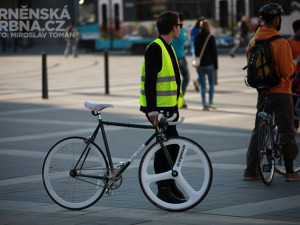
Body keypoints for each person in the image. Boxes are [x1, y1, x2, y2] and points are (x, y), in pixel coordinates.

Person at [244, 3, 300, 181]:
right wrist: (295, 63)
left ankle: (250, 171)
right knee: (286, 129)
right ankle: (290, 171)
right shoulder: (280, 42)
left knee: (258, 129)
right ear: (277, 20)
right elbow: (286, 71)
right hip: (282, 92)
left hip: (263, 92)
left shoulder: (253, 41)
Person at [139, 11, 185, 203]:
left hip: (169, 108)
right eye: (180, 25)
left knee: (171, 147)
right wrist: (152, 110)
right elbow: (150, 82)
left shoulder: (168, 47)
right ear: (173, 27)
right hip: (159, 109)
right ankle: (163, 190)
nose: (181, 28)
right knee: (165, 148)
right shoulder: (155, 48)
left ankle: (169, 184)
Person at [194, 20, 218, 111]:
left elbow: (196, 52)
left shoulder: (197, 37)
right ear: (208, 27)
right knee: (211, 83)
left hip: (200, 64)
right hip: (210, 64)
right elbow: (214, 53)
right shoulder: (210, 37)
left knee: (203, 85)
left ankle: (204, 104)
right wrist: (216, 66)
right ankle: (210, 102)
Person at [172, 12, 190, 108]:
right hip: (180, 56)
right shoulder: (180, 28)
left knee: (176, 79)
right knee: (186, 77)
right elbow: (182, 40)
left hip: (173, 55)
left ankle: (176, 99)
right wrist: (186, 34)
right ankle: (179, 99)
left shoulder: (171, 27)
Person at [190, 16, 206, 92]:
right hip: (201, 52)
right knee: (204, 69)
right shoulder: (201, 30)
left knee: (200, 70)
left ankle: (200, 83)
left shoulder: (192, 29)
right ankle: (200, 84)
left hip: (194, 51)